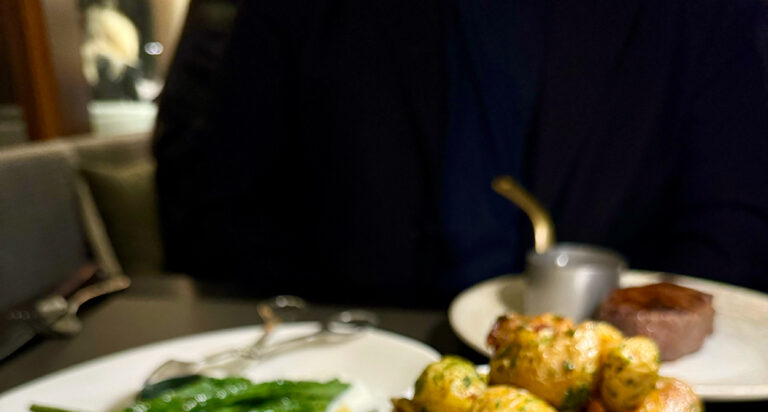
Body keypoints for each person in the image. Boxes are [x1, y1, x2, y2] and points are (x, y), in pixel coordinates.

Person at [154, 0, 768, 307]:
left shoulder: (706, 15)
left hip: (644, 405)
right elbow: (220, 203)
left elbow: (733, 224)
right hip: (349, 382)